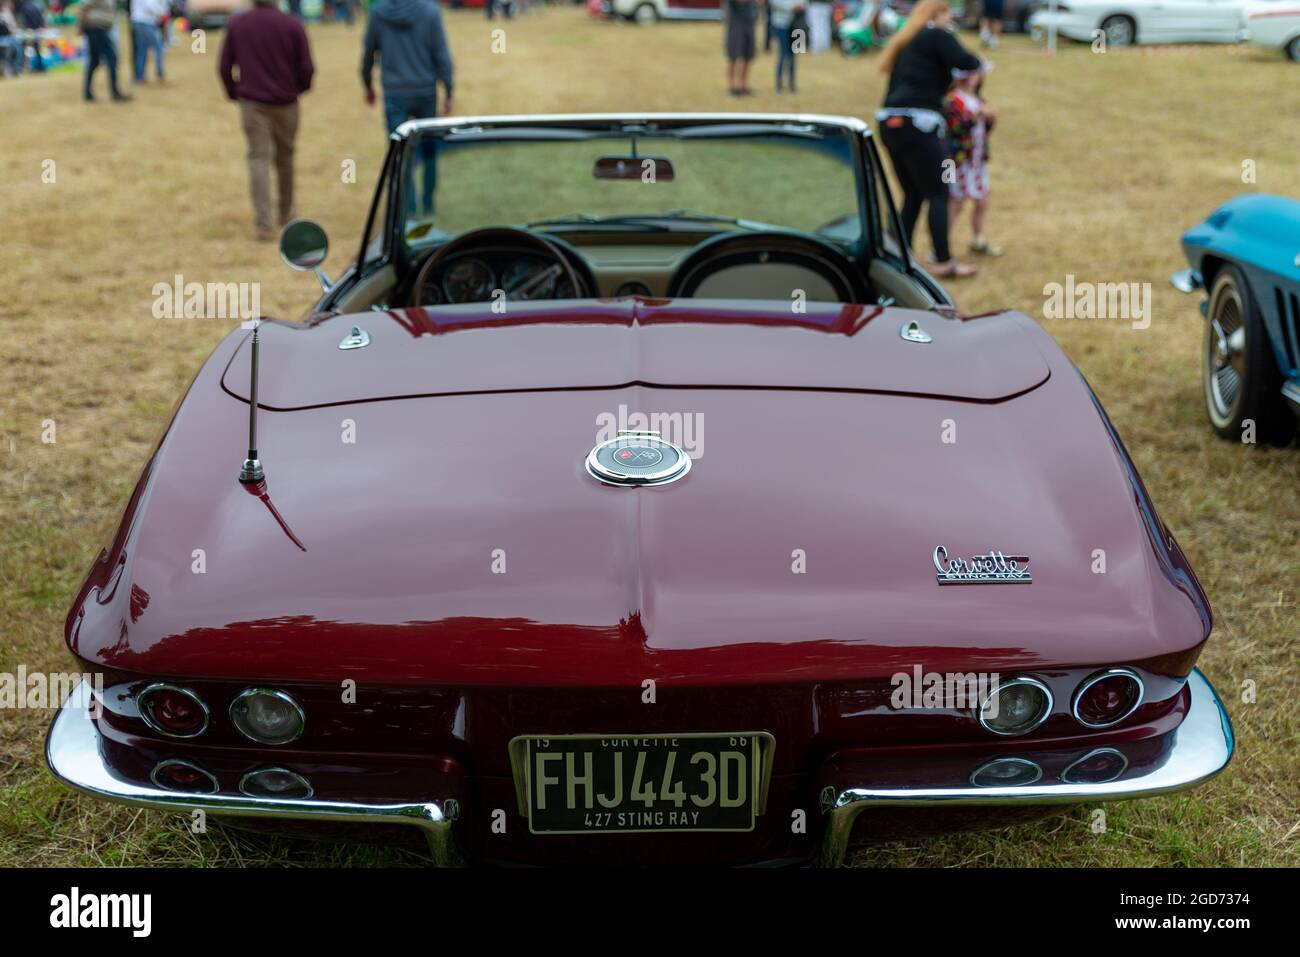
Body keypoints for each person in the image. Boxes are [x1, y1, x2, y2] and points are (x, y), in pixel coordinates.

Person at [876, 0, 982, 279]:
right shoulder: (935, 34)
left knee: (913, 193)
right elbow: (968, 61)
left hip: (890, 121)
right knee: (938, 192)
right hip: (917, 123)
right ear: (937, 14)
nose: (950, 19)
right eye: (947, 13)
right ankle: (943, 261)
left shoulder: (906, 41)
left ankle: (896, 254)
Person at [219, 0, 315, 241]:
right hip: (286, 102)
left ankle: (264, 224)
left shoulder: (238, 23)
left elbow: (223, 66)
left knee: (258, 159)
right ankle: (286, 211)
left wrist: (235, 91)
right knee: (285, 157)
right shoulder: (292, 23)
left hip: (253, 103)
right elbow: (307, 67)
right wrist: (298, 89)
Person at [361, 0, 455, 133]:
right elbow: (441, 54)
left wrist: (368, 85)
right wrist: (449, 91)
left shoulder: (378, 12)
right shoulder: (431, 11)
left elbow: (368, 53)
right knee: (427, 144)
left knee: (399, 147)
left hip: (395, 90)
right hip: (425, 88)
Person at [945, 65, 1001, 257]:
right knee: (955, 202)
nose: (970, 78)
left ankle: (978, 240)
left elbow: (983, 132)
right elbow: (952, 130)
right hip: (954, 162)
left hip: (976, 161)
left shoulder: (978, 100)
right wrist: (973, 119)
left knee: (982, 199)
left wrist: (990, 120)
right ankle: (941, 247)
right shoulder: (952, 101)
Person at [79, 0, 131, 101]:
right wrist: (82, 27)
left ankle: (87, 93)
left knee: (94, 61)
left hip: (98, 29)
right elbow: (83, 8)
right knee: (112, 58)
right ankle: (114, 92)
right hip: (97, 29)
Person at [769, 0, 804, 93]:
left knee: (794, 54)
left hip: (797, 23)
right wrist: (791, 8)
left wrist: (800, 6)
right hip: (781, 24)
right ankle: (779, 84)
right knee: (783, 53)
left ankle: (792, 83)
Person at [724, 0, 756, 97]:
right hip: (736, 23)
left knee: (748, 56)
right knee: (733, 56)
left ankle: (743, 85)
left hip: (749, 22)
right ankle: (732, 86)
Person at [130, 0, 167, 83]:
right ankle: (160, 73)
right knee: (159, 47)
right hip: (144, 22)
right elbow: (150, 5)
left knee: (142, 49)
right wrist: (162, 14)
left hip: (139, 21)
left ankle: (140, 76)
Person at [17, 0, 45, 73]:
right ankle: (40, 66)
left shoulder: (25, 7)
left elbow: (26, 21)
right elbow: (41, 18)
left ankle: (23, 67)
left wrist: (27, 29)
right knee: (37, 48)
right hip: (38, 30)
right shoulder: (35, 5)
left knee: (24, 48)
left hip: (30, 30)